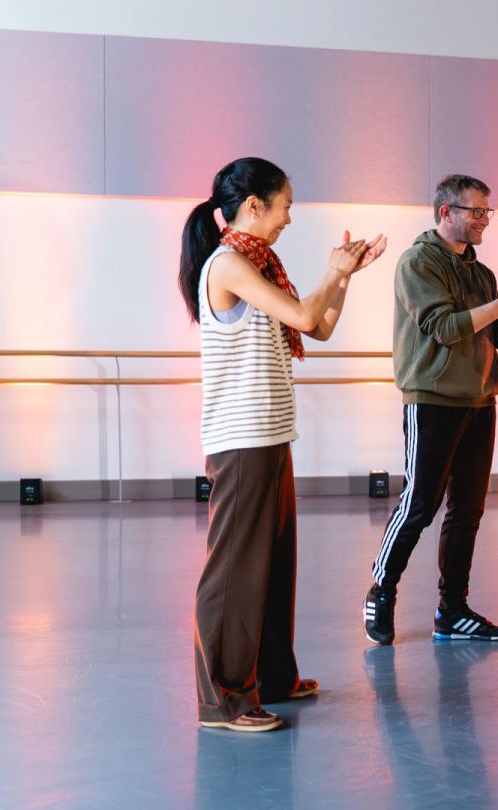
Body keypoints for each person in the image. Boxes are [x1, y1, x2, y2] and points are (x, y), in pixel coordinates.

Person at [181, 156, 387, 731]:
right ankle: (223, 700)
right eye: (286, 205)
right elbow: (302, 310)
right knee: (234, 573)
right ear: (254, 206)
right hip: (241, 439)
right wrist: (331, 270)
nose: (289, 217)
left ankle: (271, 677)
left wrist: (343, 276)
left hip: (271, 434)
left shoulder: (261, 264)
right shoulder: (228, 264)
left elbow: (316, 326)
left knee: (272, 568)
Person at [363, 174, 498, 645]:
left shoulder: (481, 272)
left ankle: (453, 610)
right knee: (419, 503)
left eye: (488, 211)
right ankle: (381, 591)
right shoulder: (418, 261)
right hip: (431, 399)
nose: (485, 220)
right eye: (476, 211)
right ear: (446, 212)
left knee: (467, 510)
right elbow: (444, 328)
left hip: (480, 399)